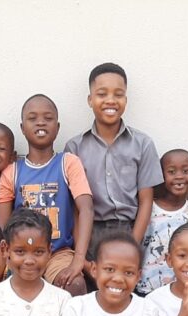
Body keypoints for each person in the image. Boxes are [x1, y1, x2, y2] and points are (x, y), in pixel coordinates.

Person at [64, 62, 163, 256]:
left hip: (130, 230)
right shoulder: (75, 147)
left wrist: (132, 246)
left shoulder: (143, 144)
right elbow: (74, 208)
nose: (110, 100)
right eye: (102, 94)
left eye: (118, 94)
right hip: (89, 232)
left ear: (126, 99)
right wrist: (81, 255)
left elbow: (146, 201)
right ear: (90, 100)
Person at [0, 94, 92, 295]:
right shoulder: (12, 172)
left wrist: (78, 260)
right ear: (22, 128)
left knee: (74, 285)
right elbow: (1, 226)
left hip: (58, 253)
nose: (40, 122)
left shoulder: (68, 163)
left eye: (48, 118)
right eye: (32, 118)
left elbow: (86, 209)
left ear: (57, 127)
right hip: (21, 253)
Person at [138, 149, 188, 295]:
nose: (179, 176)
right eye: (171, 172)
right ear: (161, 176)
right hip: (146, 288)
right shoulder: (147, 210)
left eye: (185, 171)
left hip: (179, 292)